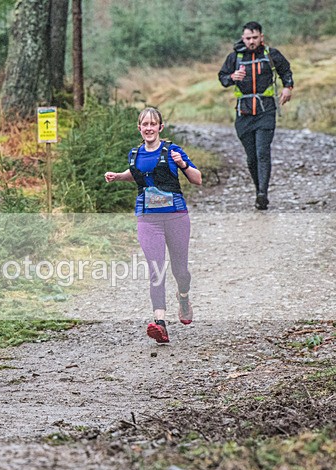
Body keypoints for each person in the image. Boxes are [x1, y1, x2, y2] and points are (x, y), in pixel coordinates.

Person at [105, 107, 202, 344]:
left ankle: (183, 296)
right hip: (147, 218)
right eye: (144, 124)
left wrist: (183, 165)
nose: (148, 128)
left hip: (176, 216)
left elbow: (197, 179)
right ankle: (160, 323)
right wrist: (118, 176)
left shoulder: (172, 151)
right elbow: (137, 172)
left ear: (160, 127)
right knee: (156, 269)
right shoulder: (135, 153)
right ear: (139, 128)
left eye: (153, 124)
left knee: (180, 270)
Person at [218, 21, 294, 210]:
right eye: (248, 38)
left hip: (266, 111)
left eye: (254, 37)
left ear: (261, 37)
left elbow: (286, 70)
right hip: (243, 113)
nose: (251, 41)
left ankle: (262, 194)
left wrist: (287, 87)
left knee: (262, 153)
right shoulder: (235, 57)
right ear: (243, 38)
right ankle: (258, 189)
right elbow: (222, 77)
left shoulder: (271, 54)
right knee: (251, 158)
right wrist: (231, 78)